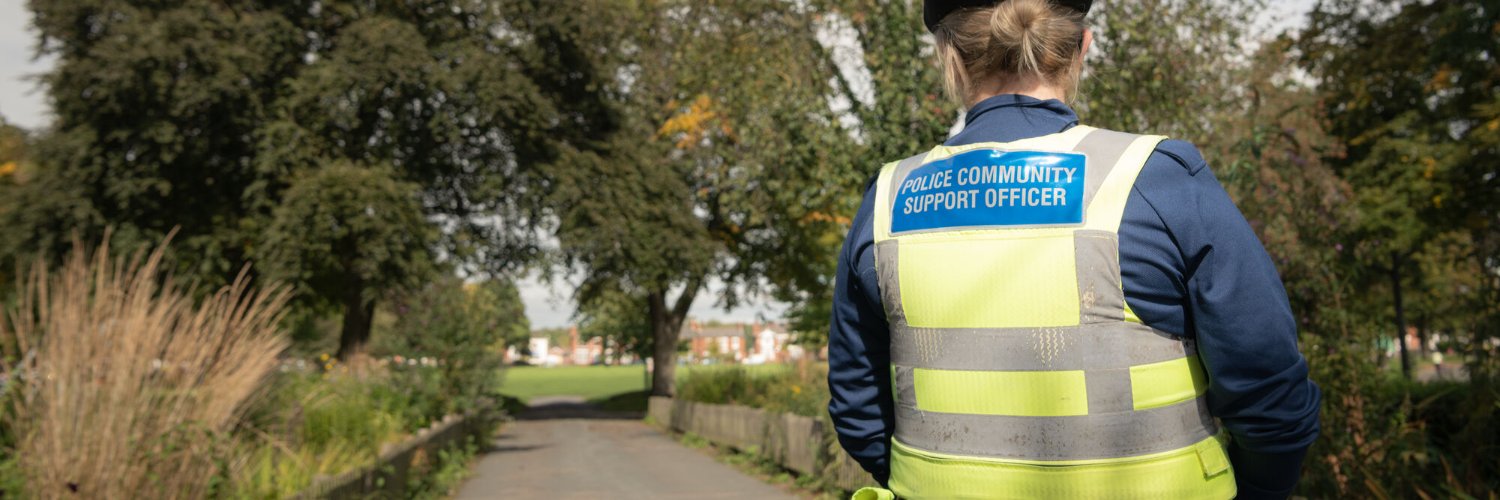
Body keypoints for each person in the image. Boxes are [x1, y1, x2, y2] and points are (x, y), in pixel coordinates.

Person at [826, 0, 1321, 498]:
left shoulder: (887, 200)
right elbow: (1269, 393)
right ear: (1082, 47)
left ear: (948, 55)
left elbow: (858, 410)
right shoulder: (1157, 179)